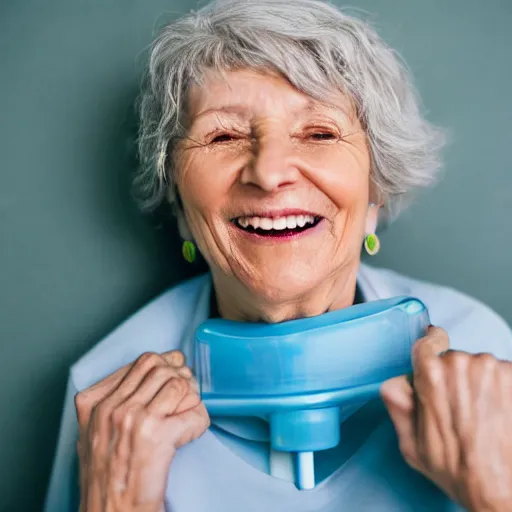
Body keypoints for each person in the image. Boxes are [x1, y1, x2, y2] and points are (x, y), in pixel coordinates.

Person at [44, 1, 512, 510]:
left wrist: (495, 492)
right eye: (223, 136)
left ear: (376, 189)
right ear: (176, 202)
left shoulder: (488, 355)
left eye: (319, 133)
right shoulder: (105, 395)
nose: (268, 173)